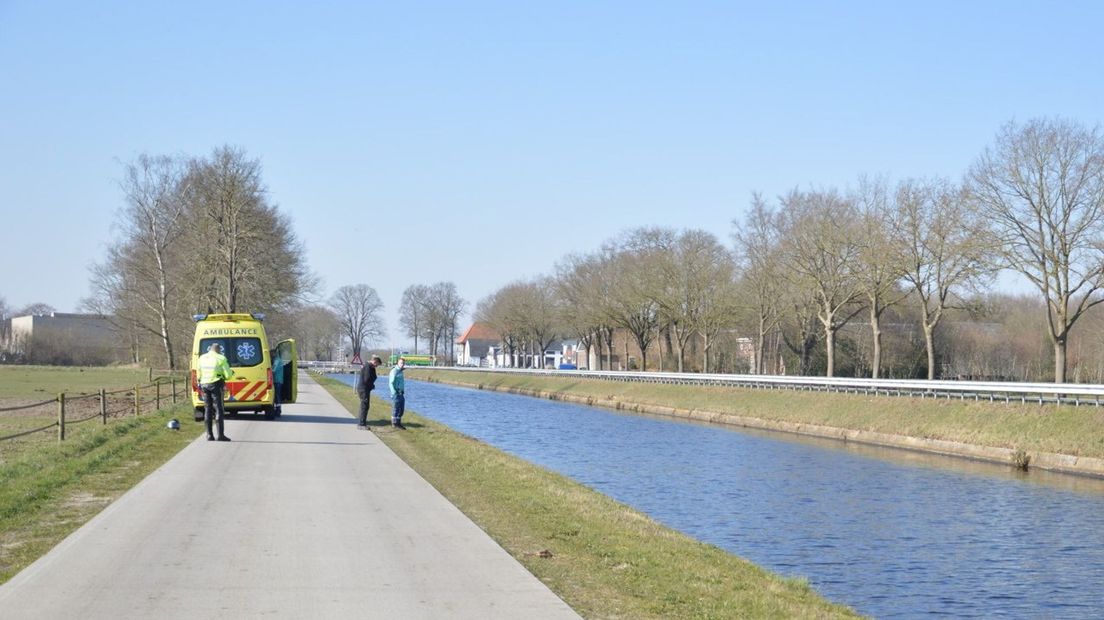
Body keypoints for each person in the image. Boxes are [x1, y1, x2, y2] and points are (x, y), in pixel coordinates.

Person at [198, 342, 234, 442]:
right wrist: (230, 373)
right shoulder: (221, 358)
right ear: (218, 350)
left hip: (204, 384)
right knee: (219, 408)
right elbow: (228, 375)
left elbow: (198, 372)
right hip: (216, 384)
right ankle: (220, 435)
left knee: (208, 409)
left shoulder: (202, 358)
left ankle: (209, 435)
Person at [355, 355, 382, 429]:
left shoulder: (370, 367)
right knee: (364, 406)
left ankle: (362, 422)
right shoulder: (368, 367)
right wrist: (371, 385)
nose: (376, 366)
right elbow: (366, 379)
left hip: (365, 389)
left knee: (365, 406)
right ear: (375, 361)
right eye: (377, 364)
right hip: (363, 389)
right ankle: (361, 424)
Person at [388, 357, 407, 430]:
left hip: (401, 393)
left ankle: (398, 423)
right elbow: (391, 383)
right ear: (397, 363)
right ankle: (394, 423)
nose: (402, 364)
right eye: (401, 363)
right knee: (396, 408)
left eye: (403, 363)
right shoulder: (394, 371)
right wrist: (394, 392)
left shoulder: (401, 371)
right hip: (396, 393)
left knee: (401, 409)